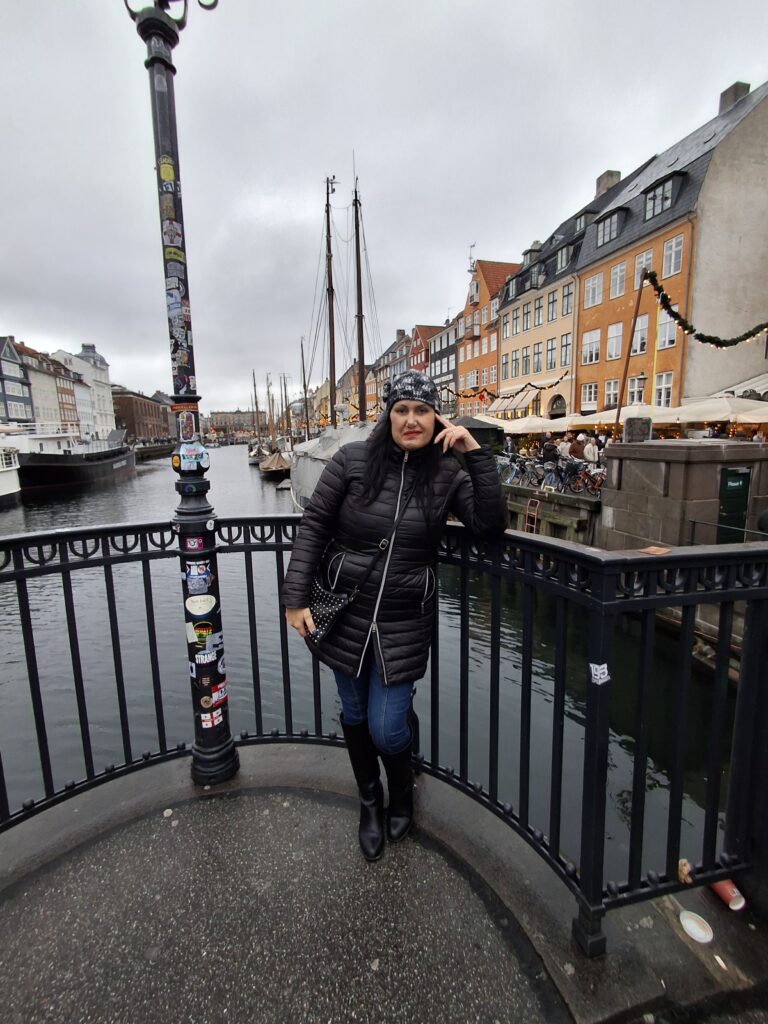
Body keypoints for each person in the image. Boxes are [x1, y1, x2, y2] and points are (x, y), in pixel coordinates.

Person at [281, 371, 507, 862]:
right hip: (346, 610)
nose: (411, 420)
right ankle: (370, 800)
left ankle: (401, 792)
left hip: (405, 618)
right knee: (356, 714)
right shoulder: (353, 459)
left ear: (435, 417)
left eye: (421, 411)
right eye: (401, 409)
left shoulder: (447, 472)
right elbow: (315, 524)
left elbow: (489, 524)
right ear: (388, 414)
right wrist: (295, 597)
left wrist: (473, 451)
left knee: (387, 728)